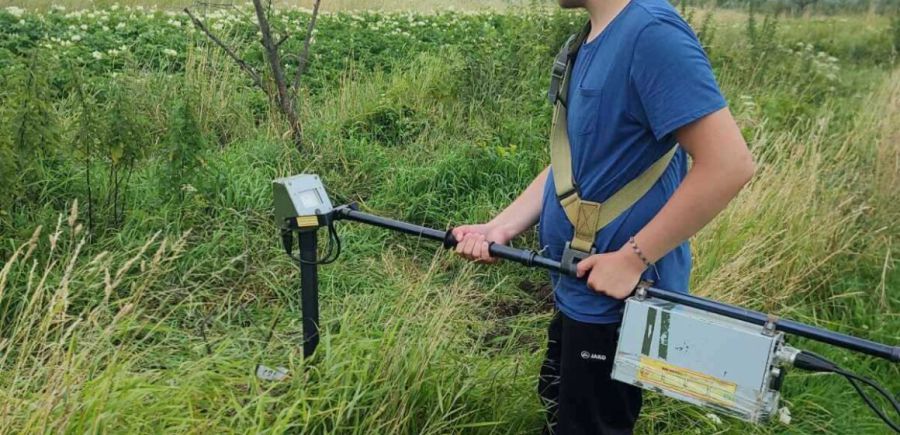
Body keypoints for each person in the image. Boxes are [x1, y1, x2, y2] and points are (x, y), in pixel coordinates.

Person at [451, 0, 755, 433]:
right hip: (576, 284)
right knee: (560, 405)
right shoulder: (587, 39)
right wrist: (501, 226)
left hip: (619, 303)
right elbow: (572, 164)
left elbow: (729, 165)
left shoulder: (651, 34)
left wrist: (632, 258)